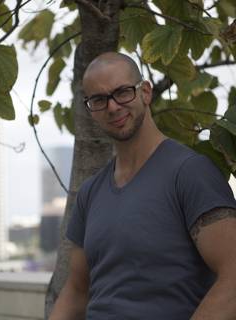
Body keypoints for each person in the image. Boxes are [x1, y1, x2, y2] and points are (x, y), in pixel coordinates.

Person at [48, 52, 236, 320]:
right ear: (90, 109)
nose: (113, 107)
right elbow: (77, 291)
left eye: (122, 92)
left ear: (145, 92)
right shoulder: (90, 193)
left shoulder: (190, 173)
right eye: (99, 100)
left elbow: (233, 279)